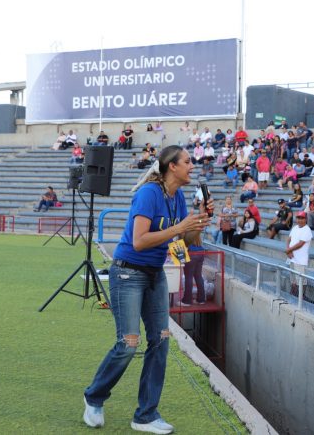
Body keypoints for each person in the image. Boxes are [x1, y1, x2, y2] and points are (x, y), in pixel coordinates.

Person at [83, 145, 210, 433]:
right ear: (172, 166)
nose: (192, 166)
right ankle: (94, 397)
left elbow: (184, 242)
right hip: (128, 272)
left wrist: (199, 221)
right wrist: (179, 227)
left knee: (160, 341)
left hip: (155, 275)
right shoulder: (149, 194)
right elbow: (139, 241)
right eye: (187, 161)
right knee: (128, 344)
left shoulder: (177, 197)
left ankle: (146, 415)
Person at [286, 211, 312, 295]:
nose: (299, 220)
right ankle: (293, 295)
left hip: (301, 260)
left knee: (301, 281)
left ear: (305, 219)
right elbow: (288, 239)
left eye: (302, 218)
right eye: (298, 218)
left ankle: (301, 296)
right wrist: (288, 250)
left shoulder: (307, 230)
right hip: (292, 258)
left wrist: (288, 250)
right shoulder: (295, 227)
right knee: (293, 280)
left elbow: (300, 244)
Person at [180, 231, 206, 306]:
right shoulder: (195, 231)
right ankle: (201, 300)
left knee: (188, 277)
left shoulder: (186, 231)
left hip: (191, 253)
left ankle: (187, 301)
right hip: (201, 252)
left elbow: (181, 245)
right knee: (198, 276)